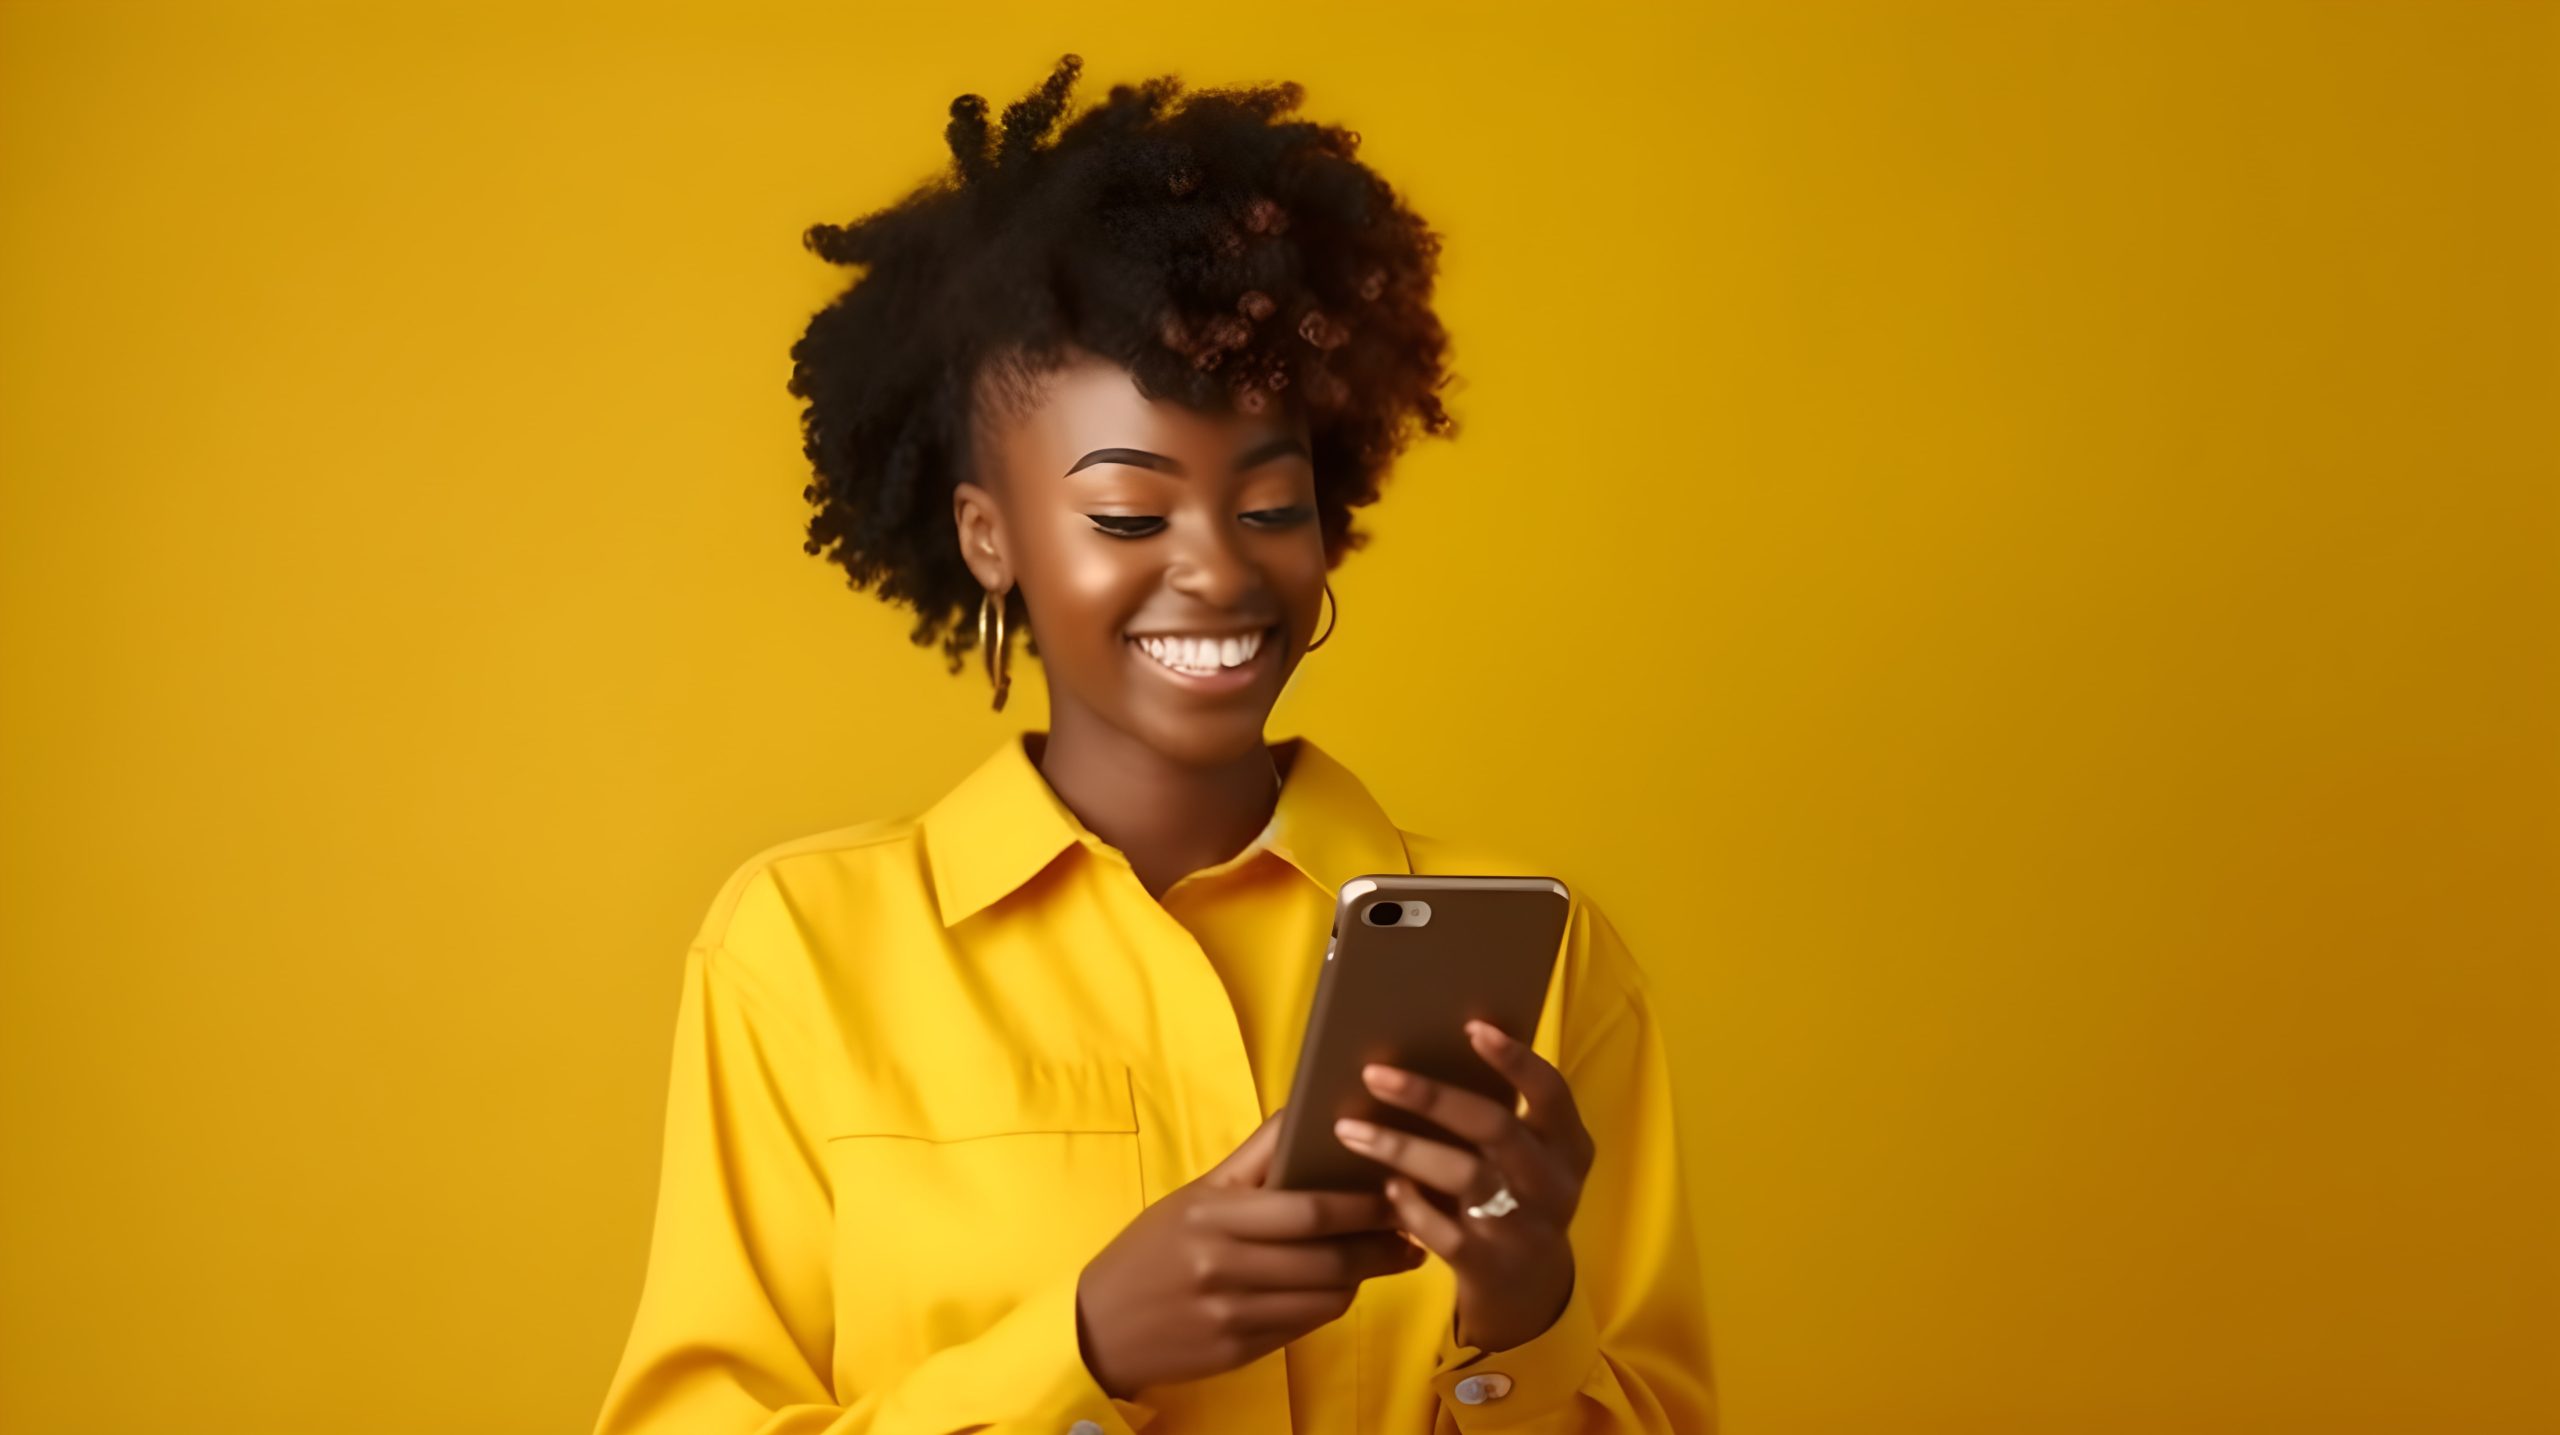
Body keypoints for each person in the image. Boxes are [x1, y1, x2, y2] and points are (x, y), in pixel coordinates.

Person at [591, 55, 1716, 1435]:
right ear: (986, 537)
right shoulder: (801, 956)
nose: (1218, 574)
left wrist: (1522, 1314)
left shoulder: (1546, 974)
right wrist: (1084, 1345)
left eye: (1270, 506)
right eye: (1128, 517)